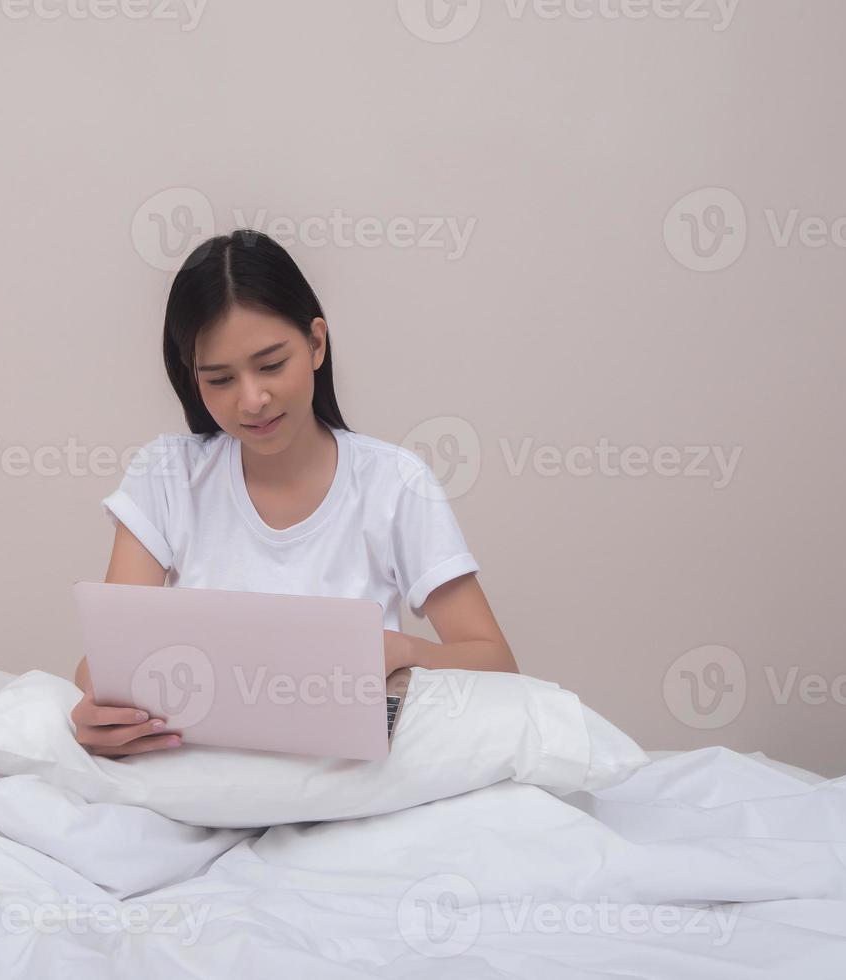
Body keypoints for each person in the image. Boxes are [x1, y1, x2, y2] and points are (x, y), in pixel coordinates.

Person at [73, 229, 517, 757]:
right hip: (205, 775)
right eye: (219, 379)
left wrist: (401, 650)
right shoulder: (166, 474)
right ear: (192, 381)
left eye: (270, 365)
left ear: (315, 342)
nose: (252, 400)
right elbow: (105, 663)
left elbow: (497, 663)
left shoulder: (394, 483)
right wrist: (100, 709)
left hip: (343, 780)